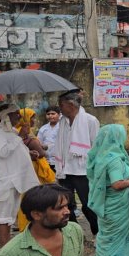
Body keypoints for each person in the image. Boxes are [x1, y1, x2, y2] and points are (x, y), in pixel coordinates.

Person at [0, 184, 83, 256]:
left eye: (66, 206)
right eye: (59, 208)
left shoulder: (74, 231)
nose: (67, 211)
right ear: (36, 215)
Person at [86, 125, 129, 256]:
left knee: (109, 239)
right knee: (118, 240)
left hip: (108, 205)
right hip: (117, 206)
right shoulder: (114, 159)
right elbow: (117, 184)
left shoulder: (100, 156)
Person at [0, 103, 41, 246]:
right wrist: (21, 136)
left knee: (11, 215)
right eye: (15, 113)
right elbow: (3, 152)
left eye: (19, 112)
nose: (19, 116)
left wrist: (29, 153)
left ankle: (8, 245)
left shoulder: (11, 131)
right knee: (4, 216)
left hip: (16, 180)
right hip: (6, 181)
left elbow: (15, 150)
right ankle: (4, 246)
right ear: (5, 116)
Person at [55, 90, 101, 235]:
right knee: (66, 205)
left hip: (83, 171)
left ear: (70, 104)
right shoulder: (62, 122)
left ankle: (98, 232)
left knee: (88, 205)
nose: (59, 108)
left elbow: (96, 147)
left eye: (61, 105)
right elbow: (61, 145)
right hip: (65, 170)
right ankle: (73, 233)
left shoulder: (90, 121)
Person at [37, 106, 61, 171]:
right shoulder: (43, 129)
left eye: (53, 114)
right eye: (48, 114)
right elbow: (39, 142)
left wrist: (49, 146)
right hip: (47, 160)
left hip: (59, 160)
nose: (50, 116)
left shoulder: (62, 127)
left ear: (59, 114)